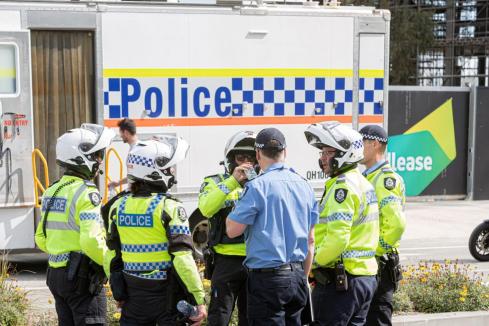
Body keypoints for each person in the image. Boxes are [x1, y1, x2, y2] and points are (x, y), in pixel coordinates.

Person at [105, 137, 207, 326]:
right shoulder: (170, 208)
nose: (173, 172)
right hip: (166, 298)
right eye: (169, 168)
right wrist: (199, 298)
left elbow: (111, 255)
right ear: (155, 171)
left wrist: (118, 292)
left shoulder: (118, 206)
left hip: (133, 297)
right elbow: (183, 258)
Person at [226, 127, 318, 326]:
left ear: (258, 154)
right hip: (297, 276)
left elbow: (232, 230)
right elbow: (311, 240)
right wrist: (303, 277)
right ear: (285, 152)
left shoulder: (257, 186)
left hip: (267, 280)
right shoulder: (305, 186)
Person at [35, 123, 115, 326]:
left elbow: (40, 238)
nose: (99, 161)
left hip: (56, 275)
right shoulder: (86, 193)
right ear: (83, 158)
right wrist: (112, 266)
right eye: (97, 156)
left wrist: (62, 252)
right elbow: (90, 241)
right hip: (81, 278)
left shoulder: (51, 191)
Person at [304, 121, 379, 326]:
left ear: (346, 153)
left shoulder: (342, 188)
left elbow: (338, 239)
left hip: (342, 282)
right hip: (364, 278)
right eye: (322, 153)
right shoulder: (363, 182)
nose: (322, 159)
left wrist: (313, 262)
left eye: (328, 153)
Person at [198, 131, 257, 326]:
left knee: (251, 318)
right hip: (225, 262)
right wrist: (232, 181)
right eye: (240, 157)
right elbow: (206, 208)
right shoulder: (214, 182)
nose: (246, 163)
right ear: (230, 158)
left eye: (251, 157)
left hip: (256, 262)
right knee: (219, 318)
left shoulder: (263, 183)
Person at [360, 125, 406, 326]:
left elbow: (396, 225)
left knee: (377, 318)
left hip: (380, 264)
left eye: (360, 143)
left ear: (375, 144)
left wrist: (373, 252)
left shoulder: (385, 178)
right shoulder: (368, 176)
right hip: (372, 264)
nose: (356, 148)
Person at [108, 118, 139, 189]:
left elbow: (137, 177)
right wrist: (118, 182)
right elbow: (134, 176)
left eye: (120, 133)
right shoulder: (135, 148)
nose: (120, 136)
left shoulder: (135, 151)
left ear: (125, 133)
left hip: (137, 196)